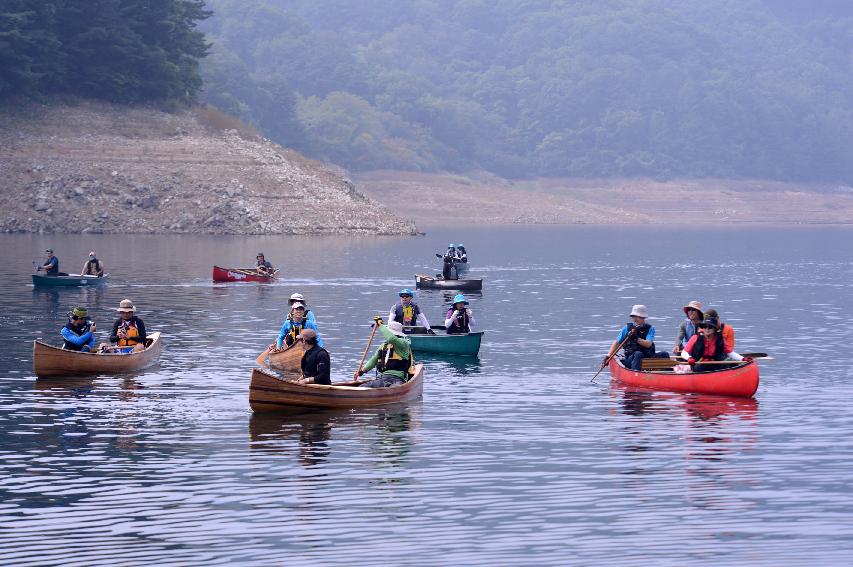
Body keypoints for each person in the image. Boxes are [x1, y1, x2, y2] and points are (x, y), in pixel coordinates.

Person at [603, 305, 665, 371]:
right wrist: (608, 356)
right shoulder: (626, 329)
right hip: (631, 359)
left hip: (647, 359)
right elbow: (617, 343)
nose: (635, 319)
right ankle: (636, 373)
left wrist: (636, 338)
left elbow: (648, 344)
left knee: (664, 354)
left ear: (643, 317)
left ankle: (665, 374)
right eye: (633, 316)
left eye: (638, 317)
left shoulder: (650, 329)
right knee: (638, 354)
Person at [355, 319, 414, 388]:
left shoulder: (404, 343)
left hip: (398, 379)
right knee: (361, 387)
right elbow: (373, 360)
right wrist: (361, 372)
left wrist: (381, 325)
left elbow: (391, 338)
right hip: (382, 378)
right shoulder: (383, 346)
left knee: (394, 389)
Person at [680, 317, 744, 371]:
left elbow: (730, 353)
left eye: (710, 327)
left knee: (732, 363)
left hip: (716, 364)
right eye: (705, 327)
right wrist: (689, 358)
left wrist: (742, 359)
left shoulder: (720, 339)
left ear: (715, 329)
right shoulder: (695, 337)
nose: (707, 329)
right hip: (699, 364)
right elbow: (684, 353)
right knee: (702, 367)